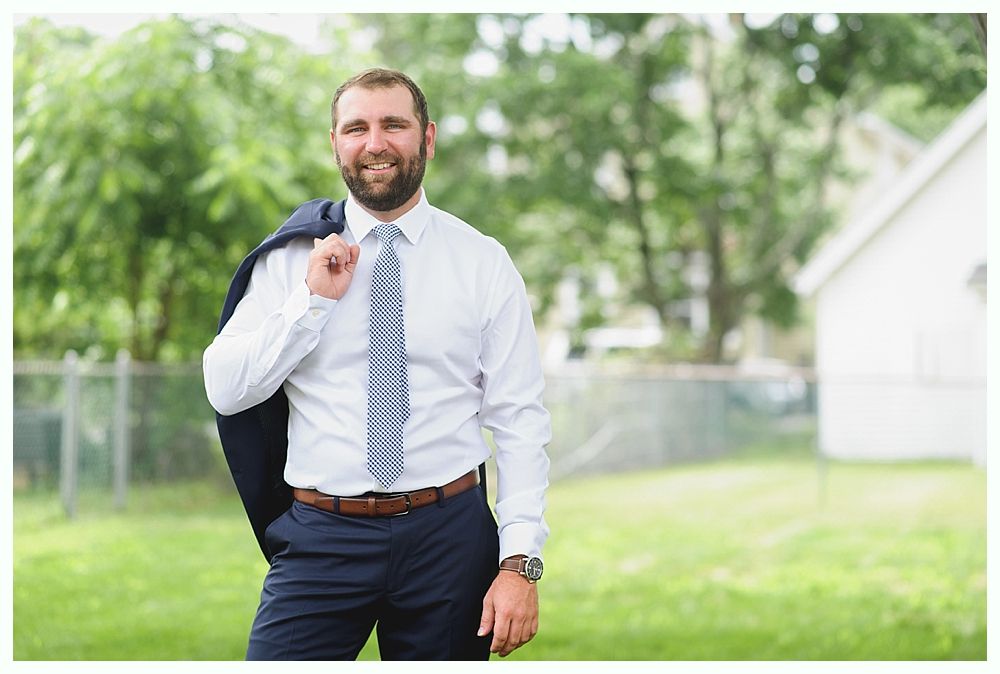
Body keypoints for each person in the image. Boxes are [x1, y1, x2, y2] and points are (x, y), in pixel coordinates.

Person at [203, 67, 551, 661]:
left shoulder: (483, 262)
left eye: (395, 124)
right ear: (335, 142)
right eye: (356, 128)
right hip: (321, 537)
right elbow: (226, 389)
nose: (375, 143)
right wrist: (309, 303)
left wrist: (519, 564)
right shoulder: (290, 261)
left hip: (450, 539)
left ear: (429, 138)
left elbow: (518, 419)